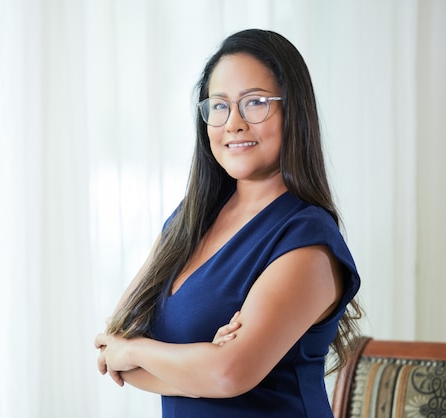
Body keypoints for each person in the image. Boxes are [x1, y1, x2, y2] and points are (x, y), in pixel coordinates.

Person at [94, 28, 363, 418]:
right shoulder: (191, 218)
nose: (233, 123)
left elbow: (226, 373)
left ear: (294, 111)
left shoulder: (308, 241)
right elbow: (113, 344)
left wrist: (144, 352)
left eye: (255, 103)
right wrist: (200, 365)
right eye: (218, 106)